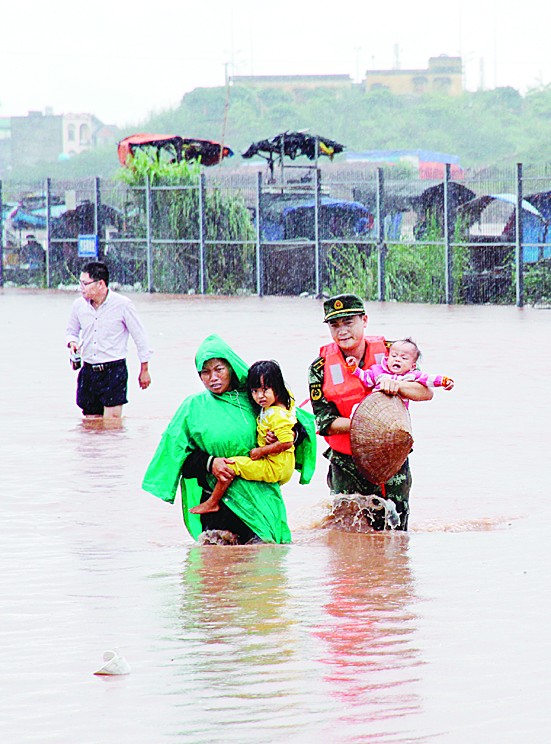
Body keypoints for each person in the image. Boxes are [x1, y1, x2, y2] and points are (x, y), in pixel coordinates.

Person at [142, 334, 316, 545]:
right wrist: (210, 463)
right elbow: (178, 459)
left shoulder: (256, 398)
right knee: (215, 571)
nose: (212, 377)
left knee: (265, 568)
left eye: (219, 369)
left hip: (260, 501)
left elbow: (299, 427)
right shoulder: (193, 408)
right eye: (205, 372)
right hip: (218, 506)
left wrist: (285, 437)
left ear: (231, 368)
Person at [308, 294, 433, 531]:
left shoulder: (394, 352)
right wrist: (365, 424)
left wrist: (399, 386)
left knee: (396, 537)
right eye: (334, 325)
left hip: (391, 458)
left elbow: (426, 392)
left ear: (364, 320)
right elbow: (324, 422)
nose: (342, 331)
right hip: (345, 464)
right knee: (346, 538)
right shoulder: (319, 368)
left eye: (348, 322)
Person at [190, 359, 297, 515]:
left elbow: (287, 442)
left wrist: (262, 451)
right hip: (280, 463)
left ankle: (213, 502)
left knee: (231, 465)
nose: (260, 396)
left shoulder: (276, 414)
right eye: (254, 391)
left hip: (274, 466)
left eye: (265, 390)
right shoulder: (280, 403)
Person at [65, 261, 152, 420]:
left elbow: (140, 337)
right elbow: (71, 331)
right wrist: (72, 343)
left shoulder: (123, 305)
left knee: (112, 426)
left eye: (85, 284)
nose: (80, 288)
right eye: (80, 283)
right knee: (90, 426)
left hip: (113, 371)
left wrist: (144, 369)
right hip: (88, 371)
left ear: (101, 284)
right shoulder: (78, 306)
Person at [346, 337, 454, 407]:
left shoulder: (412, 375)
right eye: (394, 356)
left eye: (404, 358)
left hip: (397, 413)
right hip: (376, 407)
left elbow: (429, 379)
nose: (397, 359)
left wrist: (444, 381)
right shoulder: (377, 370)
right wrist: (354, 368)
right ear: (387, 358)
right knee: (357, 407)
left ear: (413, 366)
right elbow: (366, 379)